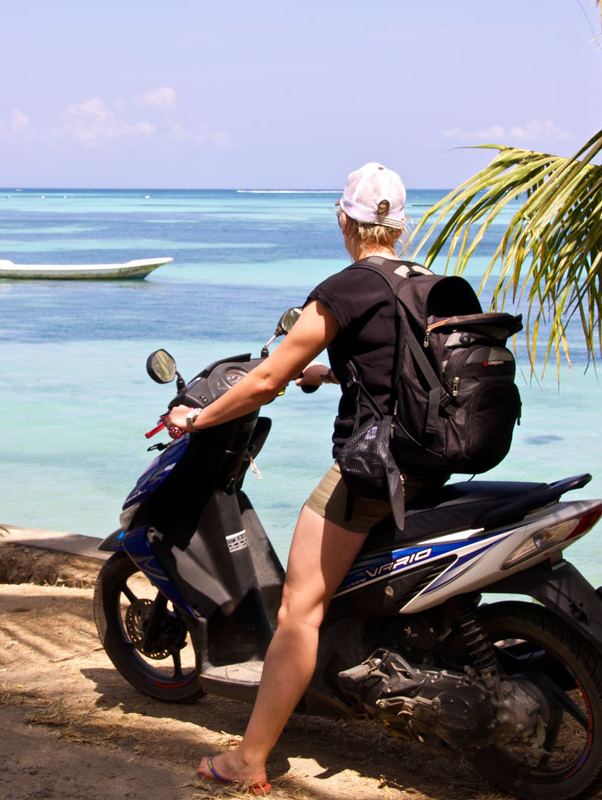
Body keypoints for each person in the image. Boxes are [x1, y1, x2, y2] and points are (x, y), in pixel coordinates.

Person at [165, 162, 450, 794]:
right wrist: (332, 375)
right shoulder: (426, 283)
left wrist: (197, 417)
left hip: (375, 473)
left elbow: (264, 380)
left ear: (344, 221)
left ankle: (248, 757)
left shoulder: (345, 289)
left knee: (299, 606)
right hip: (435, 461)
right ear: (400, 225)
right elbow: (403, 373)